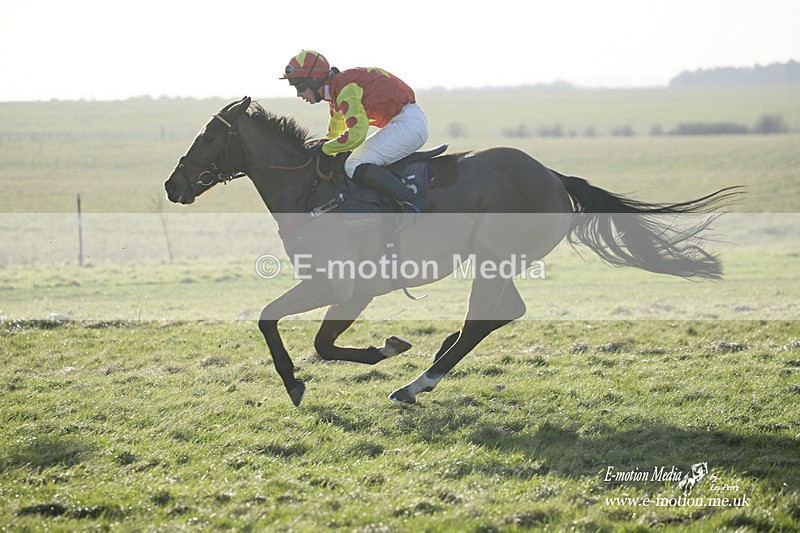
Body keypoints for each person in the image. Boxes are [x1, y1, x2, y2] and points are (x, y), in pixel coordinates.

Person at [281, 50, 430, 212]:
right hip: (404, 122)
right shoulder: (335, 91)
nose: (299, 94)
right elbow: (335, 132)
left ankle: (413, 202)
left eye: (300, 87)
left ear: (314, 80)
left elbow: (356, 134)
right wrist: (321, 145)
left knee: (354, 164)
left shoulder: (344, 88)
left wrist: (325, 149)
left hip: (408, 125)